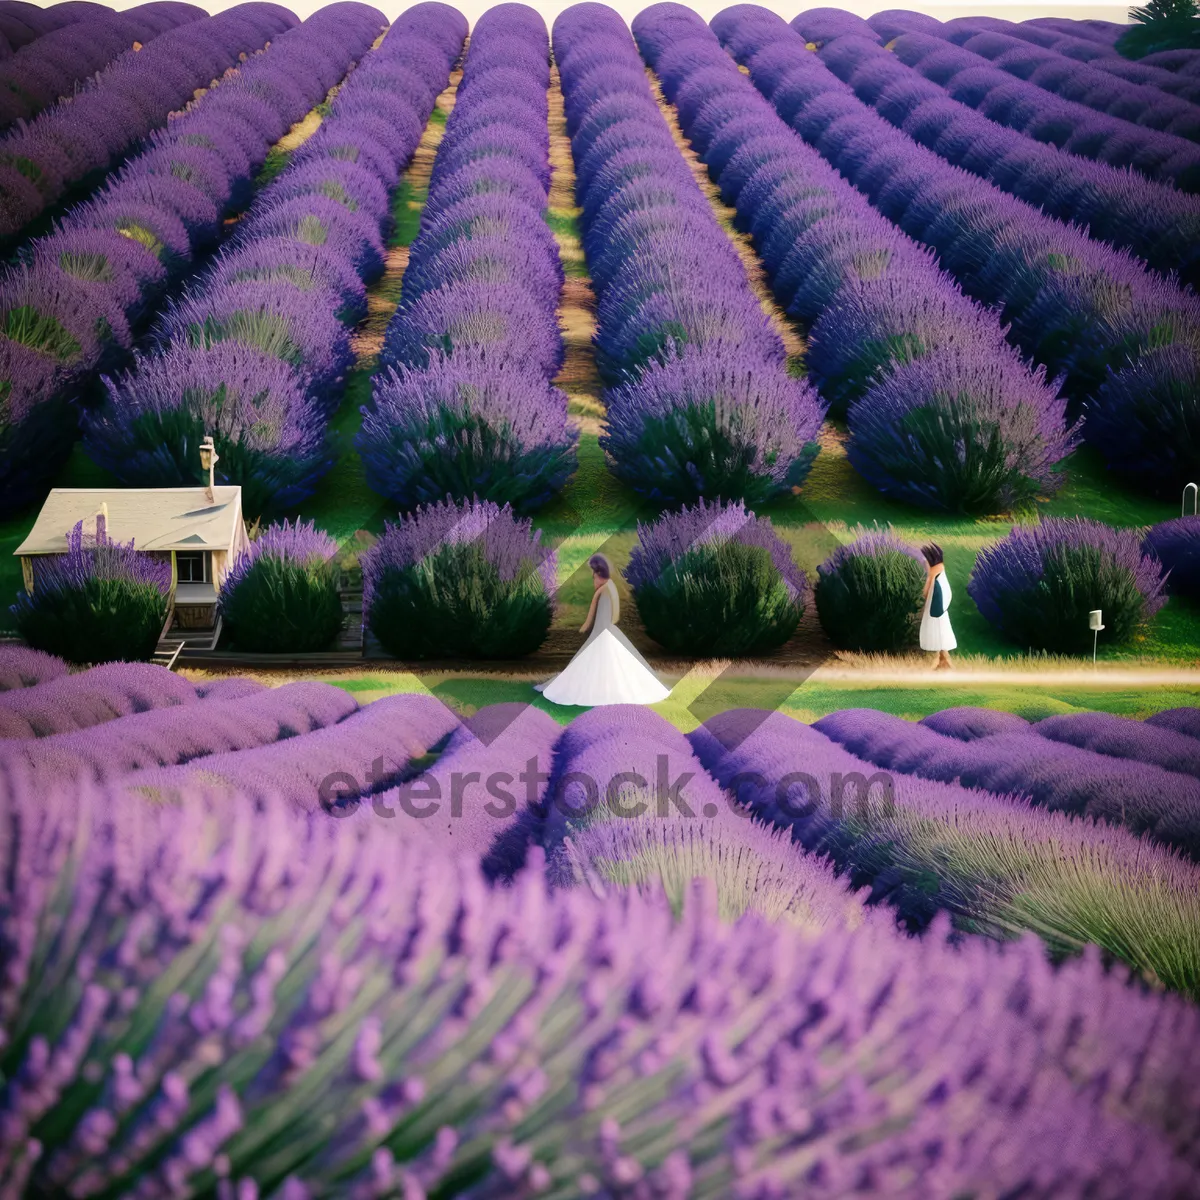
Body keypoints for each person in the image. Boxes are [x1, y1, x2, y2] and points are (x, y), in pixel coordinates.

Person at [534, 554, 670, 706]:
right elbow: (610, 611)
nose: (593, 581)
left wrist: (596, 623)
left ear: (600, 575)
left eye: (594, 577)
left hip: (604, 630)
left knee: (602, 658)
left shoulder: (606, 588)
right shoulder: (608, 587)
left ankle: (603, 688)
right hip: (604, 629)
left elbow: (609, 611)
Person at [920, 542, 955, 670]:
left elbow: (925, 592)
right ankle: (943, 661)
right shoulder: (941, 575)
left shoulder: (935, 574)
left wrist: (928, 579)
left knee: (938, 634)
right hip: (939, 609)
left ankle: (943, 662)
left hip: (936, 610)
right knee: (941, 634)